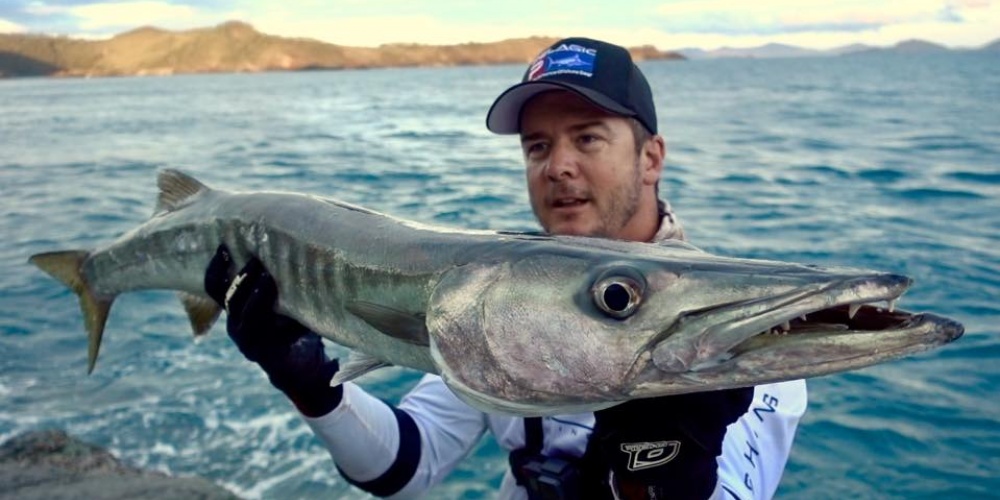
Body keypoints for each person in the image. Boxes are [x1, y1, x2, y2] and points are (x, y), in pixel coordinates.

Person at [204, 37, 808, 499]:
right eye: (538, 146)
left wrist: (669, 472)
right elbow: (408, 465)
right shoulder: (496, 298)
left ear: (651, 158)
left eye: (588, 138)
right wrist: (309, 386)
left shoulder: (738, 333)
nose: (557, 166)